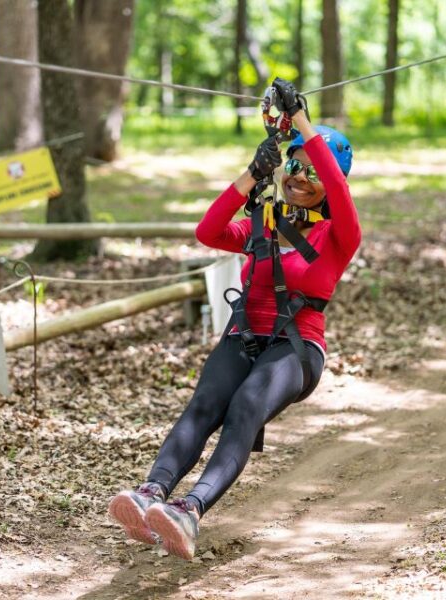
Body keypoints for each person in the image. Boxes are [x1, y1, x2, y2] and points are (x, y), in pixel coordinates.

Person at [108, 78, 361, 560]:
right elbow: (208, 230)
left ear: (330, 185)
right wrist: (252, 172)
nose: (300, 176)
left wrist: (302, 123)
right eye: (294, 167)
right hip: (245, 333)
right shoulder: (263, 223)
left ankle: (190, 510)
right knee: (205, 403)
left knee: (246, 404)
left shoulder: (339, 234)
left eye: (312, 172)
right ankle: (151, 493)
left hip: (297, 347)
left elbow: (337, 187)